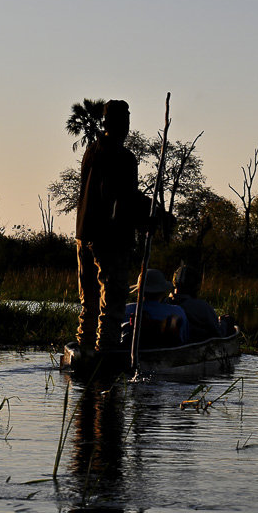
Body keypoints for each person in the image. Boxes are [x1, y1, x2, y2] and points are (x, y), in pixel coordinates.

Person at [75, 100, 151, 357]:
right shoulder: (123, 157)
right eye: (125, 121)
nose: (128, 126)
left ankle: (85, 349)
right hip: (110, 239)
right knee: (113, 299)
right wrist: (152, 216)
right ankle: (105, 351)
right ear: (118, 124)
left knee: (91, 302)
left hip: (84, 235)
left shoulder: (92, 151)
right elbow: (124, 198)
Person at [124, 268, 188, 349]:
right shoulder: (177, 312)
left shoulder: (126, 310)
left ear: (138, 291)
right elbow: (184, 340)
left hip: (132, 357)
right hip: (168, 357)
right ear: (163, 292)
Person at [170, 264, 224, 342]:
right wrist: (224, 323)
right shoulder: (202, 307)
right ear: (196, 286)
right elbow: (219, 333)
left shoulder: (165, 303)